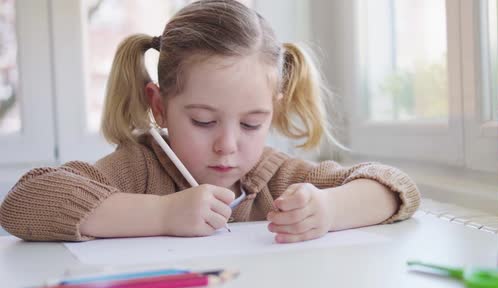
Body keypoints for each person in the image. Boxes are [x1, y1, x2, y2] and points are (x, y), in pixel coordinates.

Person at [0, 0, 420, 243]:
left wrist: (329, 209)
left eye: (252, 124)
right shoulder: (139, 167)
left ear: (273, 109)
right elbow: (24, 202)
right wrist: (163, 215)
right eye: (203, 121)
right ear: (160, 107)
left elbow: (396, 187)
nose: (228, 145)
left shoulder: (276, 175)